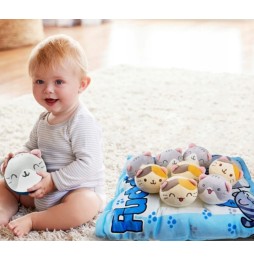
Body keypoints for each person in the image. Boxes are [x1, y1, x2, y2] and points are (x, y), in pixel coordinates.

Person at [0, 34, 106, 237]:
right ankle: (3, 211)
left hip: (72, 191)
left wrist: (53, 182)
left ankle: (34, 219)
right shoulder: (43, 119)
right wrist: (19, 159)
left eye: (58, 82)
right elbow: (30, 146)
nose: (48, 90)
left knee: (86, 203)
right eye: (39, 81)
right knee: (4, 185)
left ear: (82, 85)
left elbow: (88, 164)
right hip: (41, 189)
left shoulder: (81, 122)